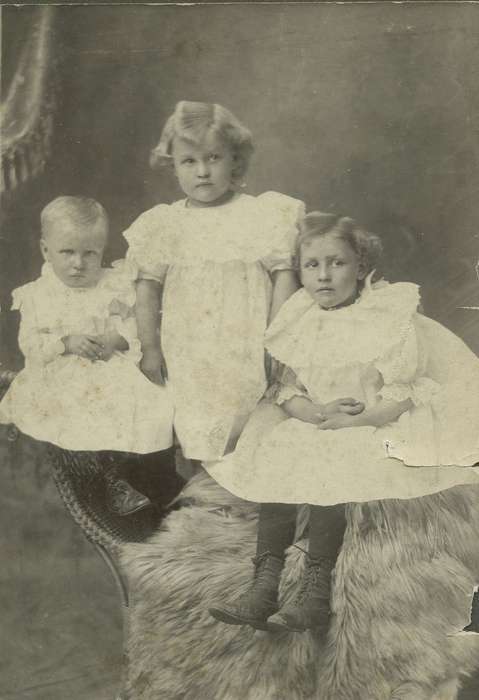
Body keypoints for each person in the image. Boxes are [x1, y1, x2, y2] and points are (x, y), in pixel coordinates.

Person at [206, 211, 479, 635]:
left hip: (370, 423)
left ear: (362, 266)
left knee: (330, 469)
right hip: (321, 420)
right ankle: (263, 586)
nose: (324, 276)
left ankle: (315, 595)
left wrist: (361, 419)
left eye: (337, 263)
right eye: (312, 266)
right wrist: (312, 413)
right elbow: (286, 389)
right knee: (278, 456)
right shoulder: (301, 317)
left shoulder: (386, 313)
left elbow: (404, 391)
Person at [123, 100, 305, 465]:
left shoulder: (260, 213)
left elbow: (284, 276)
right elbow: (146, 288)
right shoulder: (164, 224)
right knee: (193, 429)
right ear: (173, 166)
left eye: (214, 158)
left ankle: (240, 508)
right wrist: (150, 347)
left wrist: (277, 340)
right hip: (188, 349)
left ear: (235, 159)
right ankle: (204, 510)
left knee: (246, 428)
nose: (202, 172)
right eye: (189, 162)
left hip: (246, 343)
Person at [0, 196, 176, 516]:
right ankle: (113, 481)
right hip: (62, 373)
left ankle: (157, 479)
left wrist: (115, 339)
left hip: (110, 367)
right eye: (67, 252)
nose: (78, 263)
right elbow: (31, 345)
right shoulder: (38, 295)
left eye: (89, 253)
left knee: (153, 404)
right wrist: (66, 342)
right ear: (45, 251)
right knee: (83, 408)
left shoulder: (113, 286)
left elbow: (133, 329)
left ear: (101, 251)